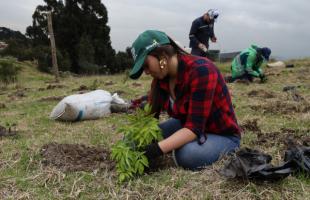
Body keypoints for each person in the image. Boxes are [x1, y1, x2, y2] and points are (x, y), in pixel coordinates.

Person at [129, 30, 241, 170]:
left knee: (187, 154)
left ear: (162, 56)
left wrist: (155, 150)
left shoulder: (202, 70)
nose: (146, 72)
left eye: (146, 65)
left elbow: (194, 128)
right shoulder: (161, 79)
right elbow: (151, 118)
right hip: (186, 125)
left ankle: (213, 146)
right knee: (133, 141)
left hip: (220, 134)